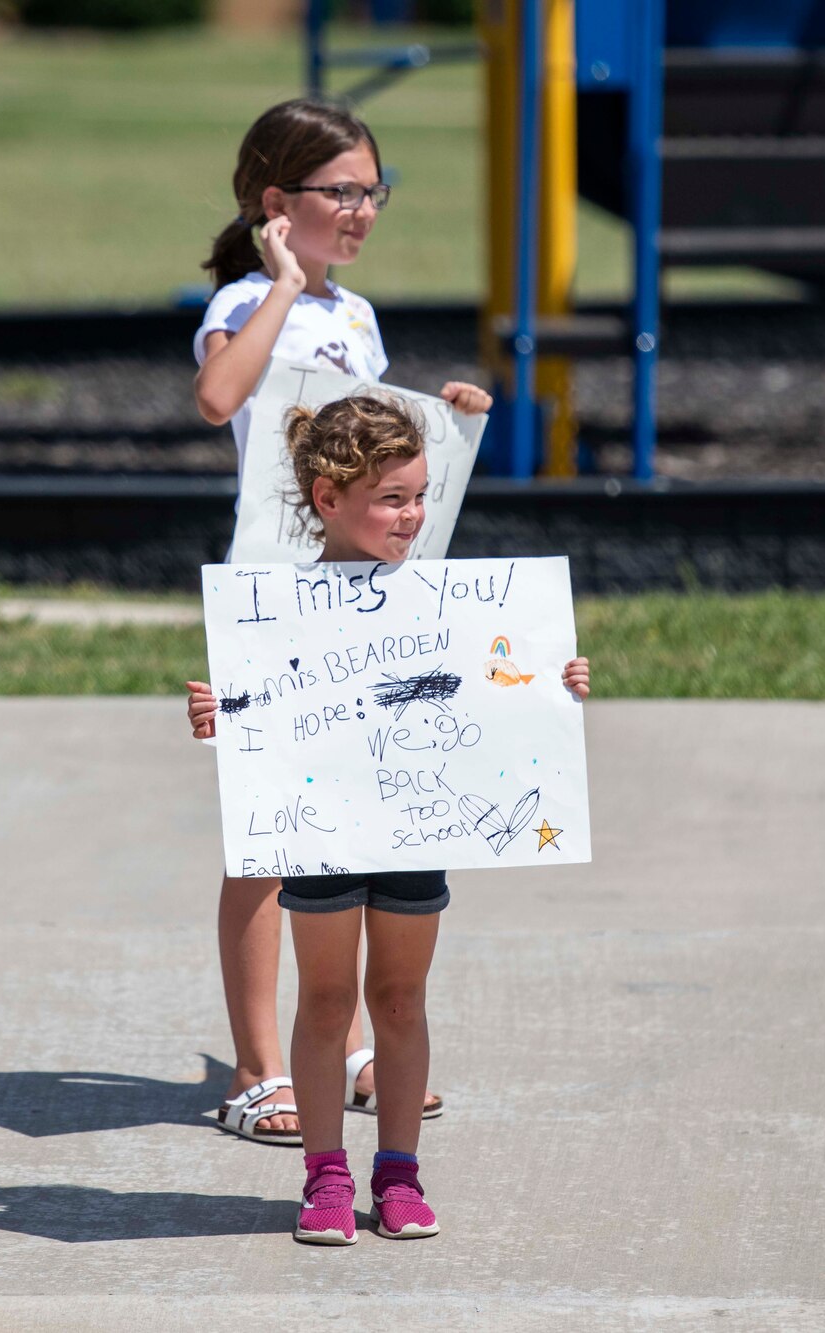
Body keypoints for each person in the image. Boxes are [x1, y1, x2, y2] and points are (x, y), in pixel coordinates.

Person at [186, 395, 590, 1243]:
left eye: (419, 496)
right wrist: (223, 714)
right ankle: (326, 1176)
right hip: (320, 828)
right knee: (327, 1000)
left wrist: (557, 684)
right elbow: (259, 705)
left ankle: (398, 1172)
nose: (411, 516)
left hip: (419, 826)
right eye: (391, 498)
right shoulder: (277, 606)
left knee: (401, 999)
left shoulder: (457, 603)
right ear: (327, 497)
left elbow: (505, 690)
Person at [193, 98, 493, 1144]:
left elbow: (372, 440)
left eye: (373, 191)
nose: (362, 210)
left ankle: (352, 1042)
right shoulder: (243, 297)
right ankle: (257, 1065)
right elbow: (218, 397)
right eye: (341, 193)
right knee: (267, 841)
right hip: (271, 601)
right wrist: (279, 286)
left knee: (358, 820)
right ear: (277, 205)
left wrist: (443, 419)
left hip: (359, 601)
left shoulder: (357, 318)